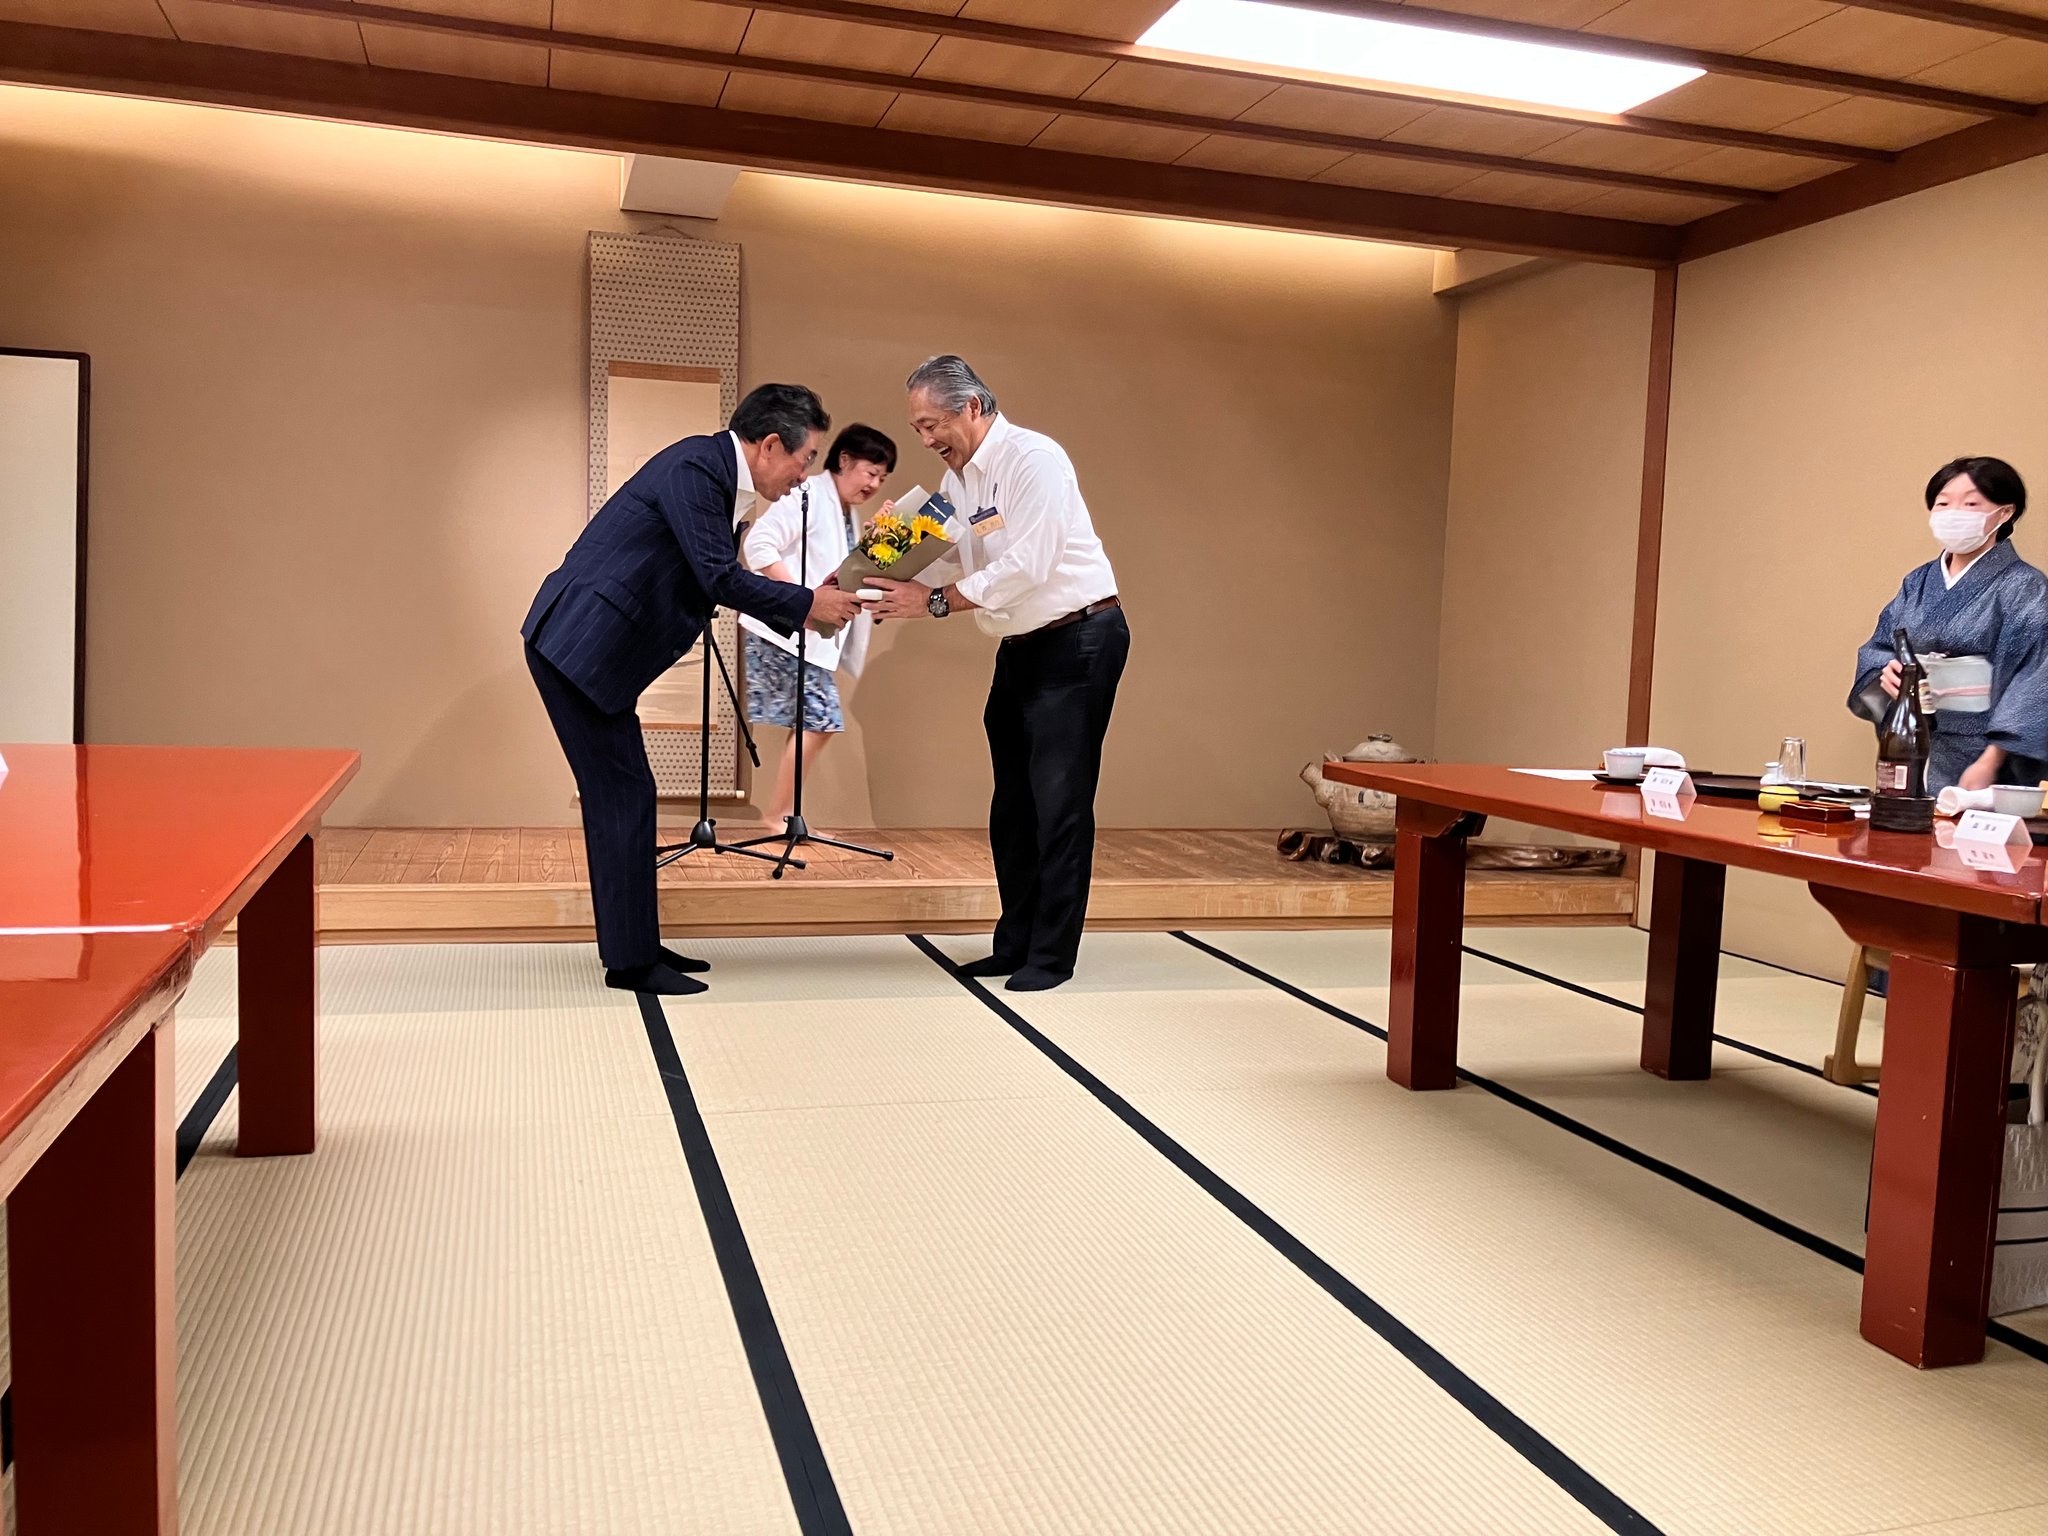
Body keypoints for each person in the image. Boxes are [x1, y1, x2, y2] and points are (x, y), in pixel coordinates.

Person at [523, 384, 867, 996]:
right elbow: (718, 577)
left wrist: (811, 599)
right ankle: (631, 962)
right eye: (806, 457)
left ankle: (637, 947)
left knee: (627, 796)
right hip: (577, 647)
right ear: (769, 445)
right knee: (622, 797)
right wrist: (807, 605)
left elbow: (716, 575)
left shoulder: (715, 476)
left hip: (594, 652)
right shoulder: (697, 468)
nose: (804, 474)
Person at [865, 356, 1128, 992]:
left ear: (973, 407)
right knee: (1012, 805)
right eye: (918, 427)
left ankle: (1051, 956)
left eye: (932, 424)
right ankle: (1013, 944)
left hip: (1078, 639)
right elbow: (941, 557)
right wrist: (877, 555)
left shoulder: (1034, 459)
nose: (925, 439)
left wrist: (933, 603)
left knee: (1059, 802)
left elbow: (1029, 565)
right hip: (1021, 644)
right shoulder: (956, 480)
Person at [1850, 455, 2048, 793]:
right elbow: (1880, 648)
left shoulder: (2025, 587)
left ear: (2004, 513)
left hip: (1982, 754)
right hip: (1914, 739)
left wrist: (1990, 761)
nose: (1954, 513)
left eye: (1971, 504)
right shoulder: (1918, 581)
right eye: (1943, 503)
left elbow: (2034, 678)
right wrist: (1886, 672)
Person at [740, 423, 896, 829]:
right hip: (782, 630)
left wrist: (878, 539)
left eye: (882, 478)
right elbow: (758, 543)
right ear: (844, 460)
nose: (874, 484)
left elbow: (844, 573)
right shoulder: (808, 493)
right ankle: (778, 815)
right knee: (820, 720)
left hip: (808, 634)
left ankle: (782, 814)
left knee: (814, 721)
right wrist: (801, 600)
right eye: (871, 472)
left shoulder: (848, 513)